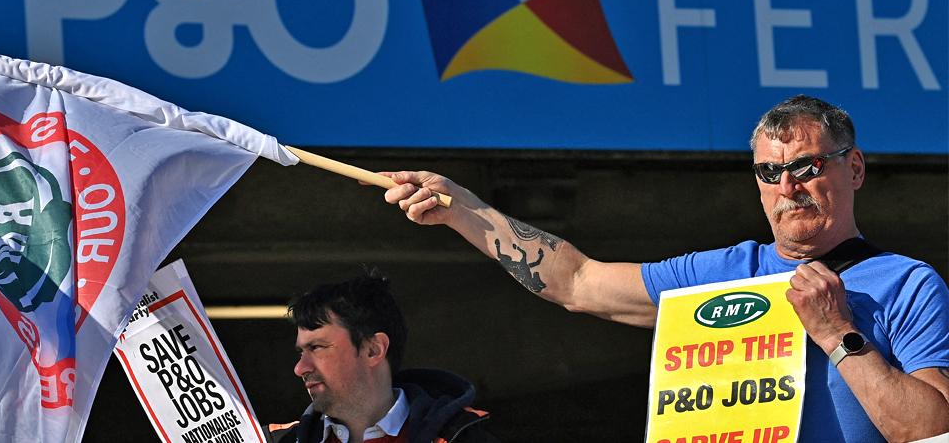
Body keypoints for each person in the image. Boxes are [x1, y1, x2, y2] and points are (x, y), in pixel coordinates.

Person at [382, 95, 949, 443]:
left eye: (806, 166)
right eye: (769, 173)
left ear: (853, 168)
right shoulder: (725, 272)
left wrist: (837, 333)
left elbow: (930, 431)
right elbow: (577, 282)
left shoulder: (906, 284)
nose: (788, 187)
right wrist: (462, 209)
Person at [263, 272, 497, 443]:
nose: (300, 368)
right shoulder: (273, 440)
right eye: (301, 351)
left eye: (316, 347)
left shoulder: (464, 437)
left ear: (373, 350)